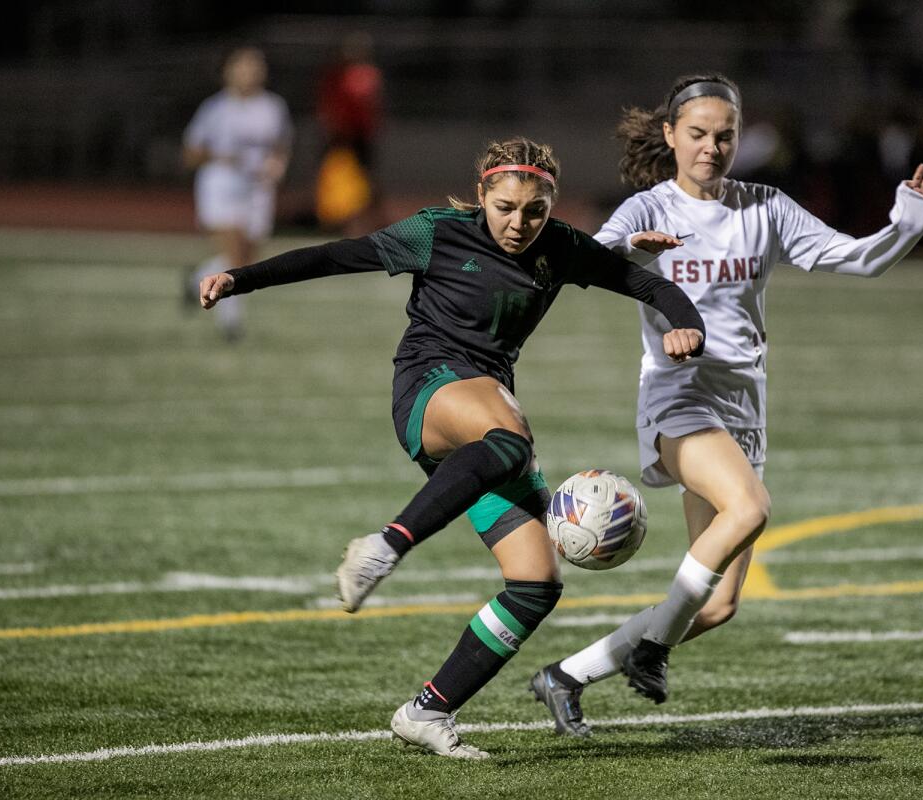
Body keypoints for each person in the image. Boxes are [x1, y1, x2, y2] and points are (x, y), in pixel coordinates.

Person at [198, 137, 706, 758]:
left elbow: (648, 287)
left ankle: (428, 711)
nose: (518, 223)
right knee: (511, 439)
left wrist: (689, 324)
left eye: (534, 211)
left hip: (484, 423)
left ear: (550, 207)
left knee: (535, 583)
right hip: (428, 387)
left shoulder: (560, 249)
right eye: (505, 207)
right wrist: (239, 278)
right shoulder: (437, 232)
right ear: (481, 196)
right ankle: (382, 548)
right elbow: (337, 255)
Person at [529, 73, 923, 736]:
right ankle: (653, 651)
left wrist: (906, 225)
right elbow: (584, 258)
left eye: (724, 135)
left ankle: (565, 676)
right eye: (697, 134)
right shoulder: (648, 209)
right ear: (670, 135)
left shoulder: (764, 207)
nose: (712, 147)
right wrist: (632, 254)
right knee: (750, 508)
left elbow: (856, 260)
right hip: (677, 396)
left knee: (717, 605)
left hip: (744, 412)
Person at [183, 46, 293, 341]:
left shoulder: (273, 107)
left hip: (258, 189)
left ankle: (196, 279)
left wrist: (277, 165)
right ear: (229, 71)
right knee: (233, 253)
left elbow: (281, 145)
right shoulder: (215, 108)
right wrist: (220, 158)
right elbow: (190, 153)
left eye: (255, 66)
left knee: (249, 258)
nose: (249, 72)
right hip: (221, 186)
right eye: (243, 66)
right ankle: (230, 324)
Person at [314, 31, 385, 236]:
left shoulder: (369, 75)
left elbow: (372, 109)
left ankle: (363, 224)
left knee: (364, 183)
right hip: (339, 138)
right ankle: (336, 222)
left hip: (360, 138)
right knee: (336, 181)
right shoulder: (335, 75)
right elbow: (328, 107)